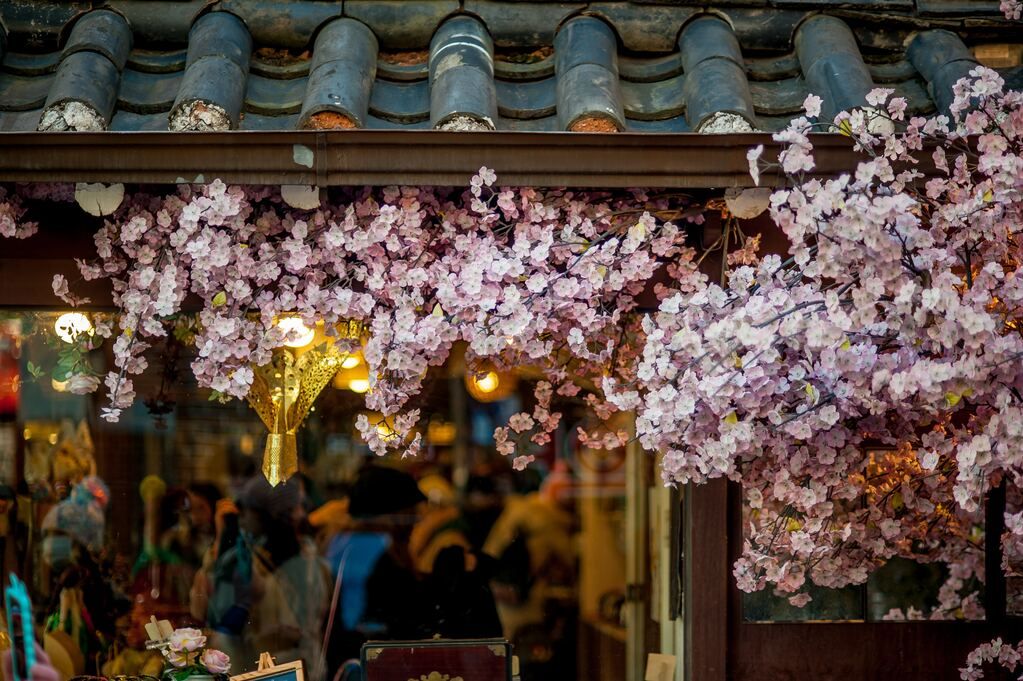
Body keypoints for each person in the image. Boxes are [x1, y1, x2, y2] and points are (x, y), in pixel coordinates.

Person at [206, 476, 330, 681]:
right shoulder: (311, 558)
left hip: (267, 671)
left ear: (267, 515)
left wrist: (224, 542)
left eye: (248, 510)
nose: (242, 517)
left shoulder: (251, 561)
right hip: (306, 669)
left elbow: (219, 615)